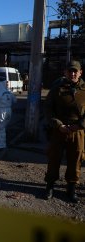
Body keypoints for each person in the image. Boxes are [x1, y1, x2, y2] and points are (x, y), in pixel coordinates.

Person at [44, 60, 85, 202]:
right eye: (70, 71)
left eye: (75, 71)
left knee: (76, 160)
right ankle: (50, 186)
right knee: (54, 158)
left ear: (80, 73)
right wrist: (58, 124)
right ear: (65, 72)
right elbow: (48, 109)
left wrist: (79, 125)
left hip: (77, 131)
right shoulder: (56, 89)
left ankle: (71, 188)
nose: (73, 73)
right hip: (58, 130)